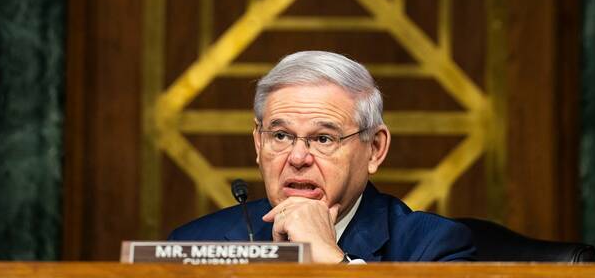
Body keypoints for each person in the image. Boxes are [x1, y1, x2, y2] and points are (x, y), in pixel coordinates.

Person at [168, 50, 475, 262]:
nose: (298, 157)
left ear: (375, 149)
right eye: (281, 136)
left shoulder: (433, 247)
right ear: (258, 145)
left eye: (323, 138)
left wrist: (331, 261)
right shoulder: (193, 243)